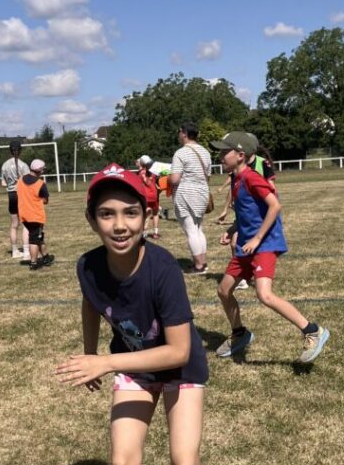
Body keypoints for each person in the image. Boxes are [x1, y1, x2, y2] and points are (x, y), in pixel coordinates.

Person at [55, 163, 234, 465]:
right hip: (134, 368)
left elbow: (179, 350)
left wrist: (105, 363)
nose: (119, 225)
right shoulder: (87, 266)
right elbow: (91, 302)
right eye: (107, 214)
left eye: (130, 213)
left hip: (179, 369)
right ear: (91, 220)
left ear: (147, 215)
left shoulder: (162, 268)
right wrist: (90, 351)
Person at [210, 131, 330, 363]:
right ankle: (239, 333)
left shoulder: (252, 178)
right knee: (223, 290)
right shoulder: (235, 179)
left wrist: (256, 239)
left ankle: (312, 330)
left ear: (240, 155)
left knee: (264, 295)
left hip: (264, 244)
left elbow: (274, 206)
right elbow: (247, 213)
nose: (220, 157)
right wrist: (232, 230)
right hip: (246, 246)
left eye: (225, 152)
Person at [170, 121, 212, 275]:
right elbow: (208, 175)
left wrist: (166, 177)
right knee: (198, 228)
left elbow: (175, 179)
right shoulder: (205, 152)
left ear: (184, 133)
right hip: (202, 192)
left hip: (186, 193)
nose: (178, 135)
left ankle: (199, 266)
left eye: (179, 132)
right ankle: (203, 262)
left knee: (191, 230)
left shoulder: (180, 153)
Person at [16, 159, 55, 271]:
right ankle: (33, 263)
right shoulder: (40, 184)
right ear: (40, 170)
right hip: (35, 216)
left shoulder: (20, 180)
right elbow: (45, 201)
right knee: (34, 240)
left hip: (23, 214)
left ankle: (46, 257)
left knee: (38, 236)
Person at [0, 140, 30, 260]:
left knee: (14, 225)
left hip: (11, 195)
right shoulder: (24, 165)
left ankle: (14, 251)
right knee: (26, 224)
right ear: (20, 150)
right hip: (21, 194)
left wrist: (10, 183)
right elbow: (28, 182)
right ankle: (26, 252)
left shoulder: (4, 165)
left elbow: (3, 183)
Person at [137, 155, 160, 238]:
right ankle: (155, 233)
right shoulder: (154, 172)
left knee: (145, 215)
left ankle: (144, 232)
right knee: (155, 213)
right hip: (154, 195)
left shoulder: (140, 173)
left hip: (145, 196)